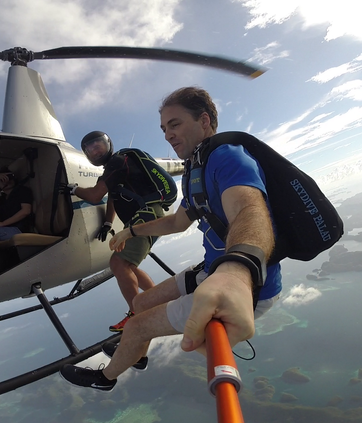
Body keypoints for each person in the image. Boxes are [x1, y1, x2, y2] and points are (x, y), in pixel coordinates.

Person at [60, 87, 282, 391]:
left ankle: (105, 378)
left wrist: (238, 271)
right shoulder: (196, 168)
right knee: (141, 302)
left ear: (204, 121)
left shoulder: (226, 158)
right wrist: (130, 231)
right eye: (164, 129)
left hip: (246, 287)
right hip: (211, 271)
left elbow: (250, 210)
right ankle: (135, 352)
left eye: (175, 125)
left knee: (137, 324)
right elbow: (179, 222)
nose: (167, 135)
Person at [65, 131, 175, 332]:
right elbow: (114, 198)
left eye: (98, 146)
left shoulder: (117, 162)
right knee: (128, 267)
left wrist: (73, 189)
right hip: (144, 218)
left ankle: (138, 314)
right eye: (90, 150)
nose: (95, 151)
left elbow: (96, 195)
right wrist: (108, 223)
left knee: (118, 263)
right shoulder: (114, 169)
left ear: (108, 145)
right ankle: (158, 301)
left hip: (145, 217)